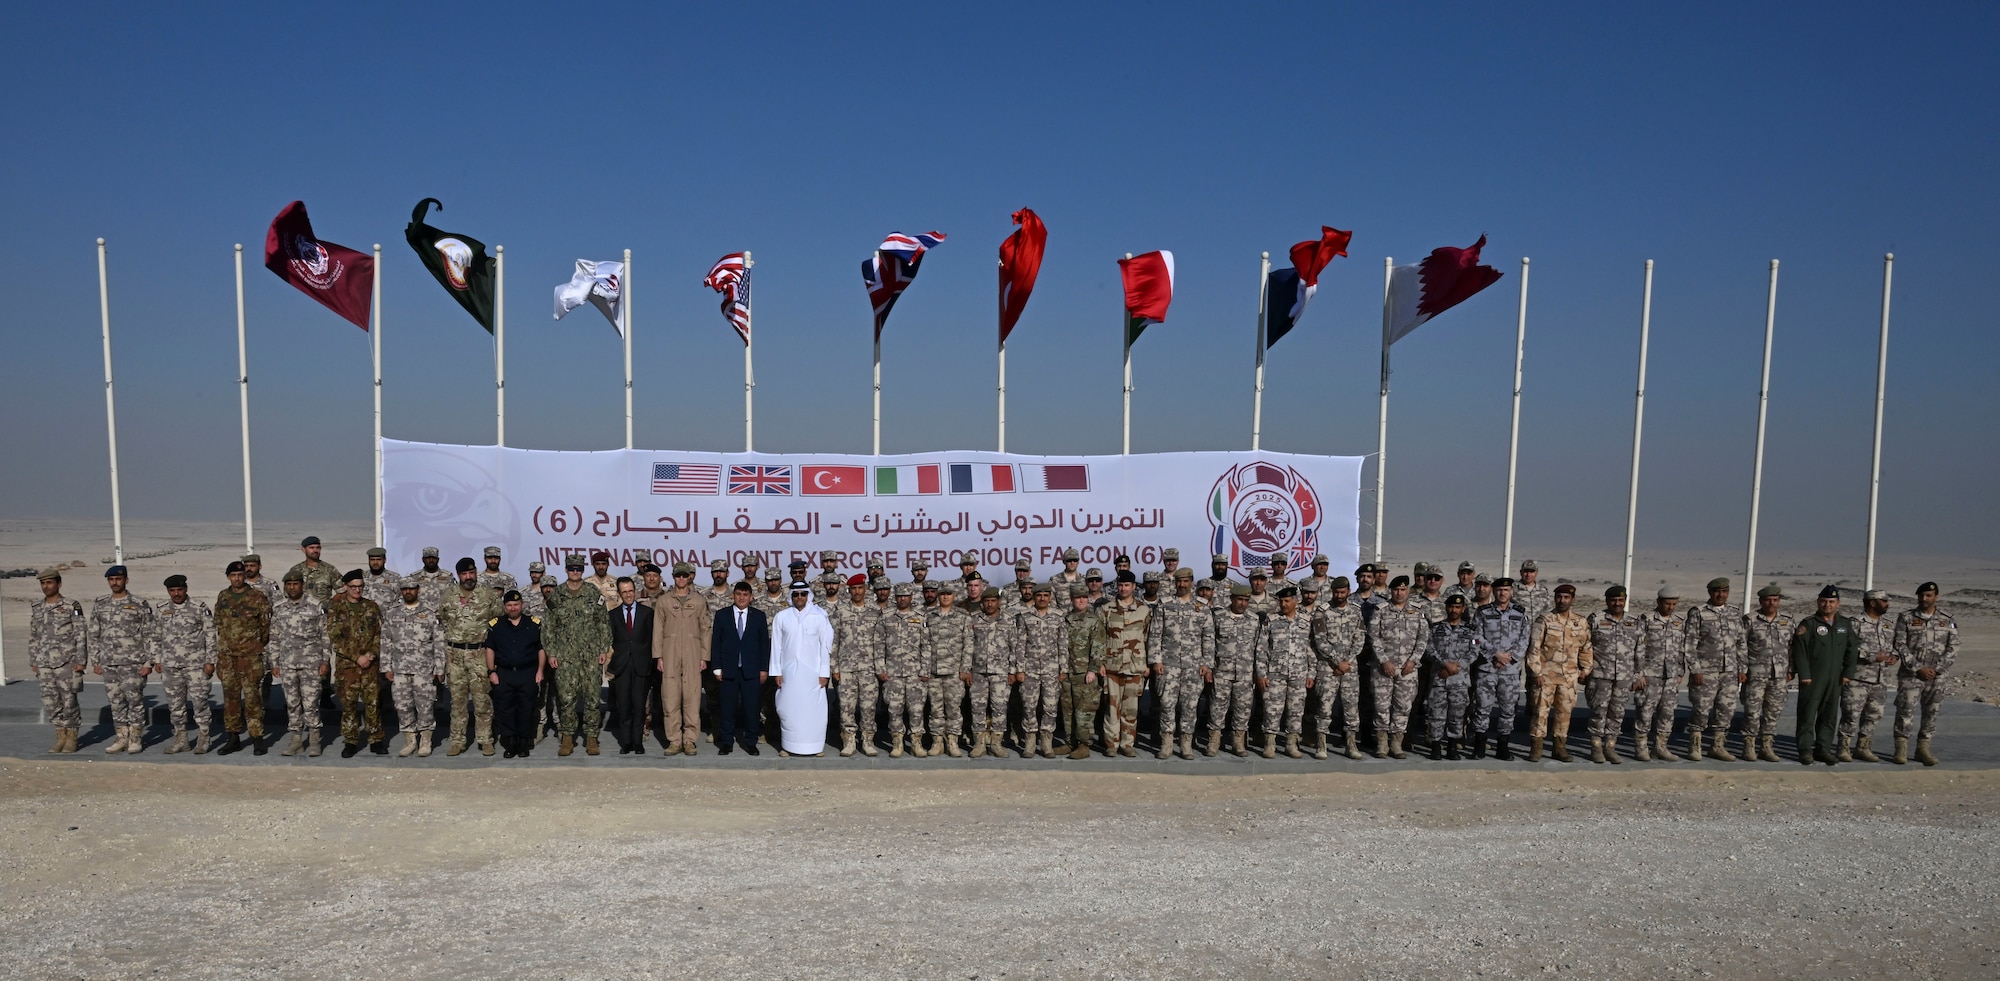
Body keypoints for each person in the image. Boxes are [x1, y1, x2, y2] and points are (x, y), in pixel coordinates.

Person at [545, 555, 613, 755]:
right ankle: (567, 738)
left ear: (583, 570)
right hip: (565, 657)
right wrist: (551, 652)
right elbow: (549, 627)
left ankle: (591, 738)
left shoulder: (593, 593)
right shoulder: (557, 595)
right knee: (566, 699)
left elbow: (603, 623)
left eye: (579, 569)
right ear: (566, 570)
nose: (575, 572)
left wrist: (603, 649)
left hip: (590, 656)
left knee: (592, 698)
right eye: (572, 568)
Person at [438, 557, 503, 757]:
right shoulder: (448, 595)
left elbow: (498, 622)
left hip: (479, 654)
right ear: (458, 575)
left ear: (476, 572)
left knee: (482, 700)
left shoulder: (488, 595)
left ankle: (485, 740)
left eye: (472, 572)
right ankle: (458, 740)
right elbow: (442, 619)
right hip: (455, 655)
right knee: (457, 701)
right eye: (465, 574)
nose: (469, 577)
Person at [88, 565, 154, 754]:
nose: (115, 583)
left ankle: (135, 738)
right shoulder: (100, 604)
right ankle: (121, 737)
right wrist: (96, 660)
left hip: (133, 662)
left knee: (135, 701)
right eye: (111, 580)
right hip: (109, 662)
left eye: (118, 579)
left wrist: (149, 662)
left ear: (126, 580)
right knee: (115, 702)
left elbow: (150, 634)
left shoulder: (139, 603)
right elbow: (93, 634)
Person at [1524, 583, 1594, 763]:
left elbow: (1586, 648)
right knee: (1540, 712)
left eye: (1566, 597)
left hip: (1569, 677)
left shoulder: (1581, 622)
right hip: (1545, 676)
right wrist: (1536, 673)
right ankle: (1537, 747)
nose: (1562, 601)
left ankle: (1559, 748)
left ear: (1572, 599)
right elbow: (1534, 648)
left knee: (1564, 713)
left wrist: (1585, 669)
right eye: (1559, 597)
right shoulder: (1545, 620)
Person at [1892, 581, 1957, 766]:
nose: (1924, 598)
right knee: (1905, 710)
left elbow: (1953, 646)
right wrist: (1917, 667)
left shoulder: (1947, 619)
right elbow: (1899, 644)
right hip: (1911, 674)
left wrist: (1938, 669)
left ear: (1936, 597)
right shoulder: (1906, 618)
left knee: (1931, 712)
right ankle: (1901, 749)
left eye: (1928, 595)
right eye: (1921, 595)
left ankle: (1923, 749)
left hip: (1937, 676)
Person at [1148, 569, 1211, 760]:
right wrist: (1156, 660)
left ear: (1192, 582)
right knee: (1167, 705)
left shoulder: (1202, 607)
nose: (1182, 585)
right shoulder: (1165, 605)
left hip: (1193, 666)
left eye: (1185, 581)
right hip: (1169, 665)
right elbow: (1155, 634)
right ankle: (1167, 743)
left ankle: (1186, 744)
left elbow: (1208, 637)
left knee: (1190, 706)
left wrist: (1206, 662)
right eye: (1179, 582)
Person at [269, 571, 333, 758]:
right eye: (288, 584)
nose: (292, 587)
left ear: (302, 585)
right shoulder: (279, 607)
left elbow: (325, 635)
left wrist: (325, 660)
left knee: (311, 702)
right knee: (292, 703)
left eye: (295, 584)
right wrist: (274, 661)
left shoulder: (315, 605)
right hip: (288, 663)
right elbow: (274, 636)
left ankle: (314, 740)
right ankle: (296, 740)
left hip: (311, 663)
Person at [1682, 577, 1747, 761]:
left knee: (1726, 709)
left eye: (1724, 591)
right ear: (1710, 592)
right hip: (1706, 671)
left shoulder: (1734, 613)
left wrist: (1743, 668)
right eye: (1717, 591)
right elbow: (1690, 643)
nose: (1721, 595)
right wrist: (1695, 669)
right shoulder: (1699, 613)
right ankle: (1695, 745)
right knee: (1701, 709)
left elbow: (1741, 643)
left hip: (1730, 671)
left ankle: (1718, 746)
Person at [650, 562, 712, 756]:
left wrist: (704, 656)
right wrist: (658, 656)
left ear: (689, 577)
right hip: (670, 654)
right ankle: (674, 740)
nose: (681, 579)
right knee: (670, 698)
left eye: (684, 576)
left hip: (693, 654)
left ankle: (690, 740)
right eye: (678, 576)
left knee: (692, 699)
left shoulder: (700, 601)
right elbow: (657, 630)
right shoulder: (664, 601)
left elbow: (706, 630)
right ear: (674, 576)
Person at [380, 576, 445, 757]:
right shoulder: (392, 614)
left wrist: (439, 668)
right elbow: (386, 642)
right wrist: (386, 667)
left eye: (412, 588)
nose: (408, 591)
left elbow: (439, 642)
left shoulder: (430, 614)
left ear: (418, 590)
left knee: (425, 706)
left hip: (423, 669)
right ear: (401, 591)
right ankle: (409, 740)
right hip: (400, 669)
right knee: (402, 706)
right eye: (404, 589)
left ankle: (425, 740)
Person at [212, 561, 272, 755]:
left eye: (240, 575)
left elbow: (265, 628)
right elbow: (218, 624)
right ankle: (233, 737)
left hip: (250, 658)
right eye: (233, 575)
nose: (237, 578)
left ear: (245, 576)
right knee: (230, 700)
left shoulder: (257, 597)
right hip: (228, 658)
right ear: (228, 576)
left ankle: (257, 739)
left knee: (253, 699)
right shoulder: (223, 597)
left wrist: (252, 646)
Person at [152, 574, 216, 755]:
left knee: (200, 702)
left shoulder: (199, 608)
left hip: (195, 665)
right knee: (175, 706)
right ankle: (181, 739)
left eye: (179, 590)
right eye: (172, 591)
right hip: (171, 666)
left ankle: (204, 736)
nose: (176, 593)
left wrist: (210, 661)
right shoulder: (161, 609)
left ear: (186, 589)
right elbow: (155, 636)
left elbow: (210, 635)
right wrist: (157, 659)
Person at [326, 570, 387, 757]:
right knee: (349, 704)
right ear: (345, 587)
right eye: (353, 587)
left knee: (373, 703)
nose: (357, 590)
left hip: (370, 665)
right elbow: (334, 639)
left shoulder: (371, 607)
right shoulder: (336, 608)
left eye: (360, 587)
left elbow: (380, 635)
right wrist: (356, 657)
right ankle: (351, 740)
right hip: (348, 667)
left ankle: (376, 739)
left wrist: (370, 655)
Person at [769, 581, 833, 757]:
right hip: (788, 673)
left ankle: (815, 747)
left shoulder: (820, 617)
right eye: (796, 594)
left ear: (808, 595)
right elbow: (776, 646)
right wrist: (776, 672)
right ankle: (788, 747)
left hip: (813, 674)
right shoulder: (782, 617)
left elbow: (825, 647)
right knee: (788, 709)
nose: (799, 597)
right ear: (791, 596)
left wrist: (824, 673)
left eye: (803, 594)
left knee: (814, 712)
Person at [1469, 577, 1530, 760]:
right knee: (1482, 708)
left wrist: (1508, 659)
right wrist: (1495, 654)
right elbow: (1475, 638)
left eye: (1506, 590)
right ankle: (1479, 746)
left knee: (1508, 710)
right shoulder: (1482, 612)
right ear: (1493, 592)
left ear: (1511, 592)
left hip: (1510, 670)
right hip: (1487, 668)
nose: (1502, 593)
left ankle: (1503, 747)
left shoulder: (1520, 613)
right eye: (1499, 590)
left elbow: (1524, 640)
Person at [1367, 576, 1426, 759]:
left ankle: (1396, 742)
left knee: (1403, 706)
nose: (1399, 593)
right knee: (1381, 706)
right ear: (1390, 591)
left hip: (1407, 669)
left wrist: (1413, 660)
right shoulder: (1381, 610)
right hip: (1383, 668)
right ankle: (1382, 743)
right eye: (1395, 590)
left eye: (1402, 590)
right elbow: (1373, 637)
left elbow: (1423, 639)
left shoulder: (1417, 611)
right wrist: (1384, 660)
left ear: (1407, 590)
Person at [29, 569, 87, 754]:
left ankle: (72, 736)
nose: (46, 586)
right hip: (44, 663)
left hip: (66, 662)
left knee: (69, 701)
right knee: (51, 702)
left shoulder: (71, 606)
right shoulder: (37, 607)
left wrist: (81, 660)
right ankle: (60, 735)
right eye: (43, 583)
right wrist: (34, 659)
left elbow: (80, 634)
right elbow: (34, 635)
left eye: (50, 582)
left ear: (59, 584)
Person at [1308, 576, 1365, 761]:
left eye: (1342, 592)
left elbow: (1360, 638)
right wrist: (1337, 660)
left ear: (1348, 591)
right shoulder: (1322, 611)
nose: (1339, 595)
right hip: (1328, 667)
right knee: (1324, 706)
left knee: (1351, 707)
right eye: (1336, 592)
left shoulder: (1356, 611)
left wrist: (1346, 662)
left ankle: (1351, 744)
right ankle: (1321, 744)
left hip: (1349, 668)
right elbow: (1320, 640)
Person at [1737, 584, 1795, 763]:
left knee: (1773, 712)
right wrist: (1742, 669)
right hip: (1755, 674)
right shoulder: (1750, 620)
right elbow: (1741, 645)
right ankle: (1749, 745)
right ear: (1761, 601)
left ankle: (1767, 746)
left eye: (1775, 600)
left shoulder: (1787, 620)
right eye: (1768, 600)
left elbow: (1793, 646)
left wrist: (1792, 669)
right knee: (1752, 712)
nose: (1771, 603)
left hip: (1779, 675)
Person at [710, 581, 770, 755]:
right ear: (733, 595)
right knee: (727, 708)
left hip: (751, 670)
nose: (741, 598)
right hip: (728, 670)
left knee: (752, 708)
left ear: (751, 597)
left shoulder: (758, 616)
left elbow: (763, 645)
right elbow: (716, 643)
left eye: (745, 595)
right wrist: (717, 668)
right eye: (738, 594)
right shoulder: (722, 615)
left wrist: (763, 669)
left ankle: (751, 742)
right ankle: (726, 742)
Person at [1585, 585, 1643, 764]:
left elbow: (1639, 650)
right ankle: (1596, 747)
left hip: (1624, 677)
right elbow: (1585, 646)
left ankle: (1610, 746)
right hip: (1600, 675)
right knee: (1599, 711)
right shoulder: (1596, 619)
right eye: (1613, 600)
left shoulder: (1634, 621)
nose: (1617, 603)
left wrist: (1638, 675)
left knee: (1617, 713)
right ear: (1607, 601)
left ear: (1625, 600)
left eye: (1620, 600)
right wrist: (1586, 670)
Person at [484, 590, 546, 758]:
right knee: (506, 709)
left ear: (522, 605)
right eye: (509, 605)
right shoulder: (496, 625)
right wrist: (491, 671)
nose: (513, 608)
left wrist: (540, 671)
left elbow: (541, 649)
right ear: (505, 607)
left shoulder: (533, 624)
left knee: (526, 709)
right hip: (504, 673)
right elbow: (490, 649)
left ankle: (524, 742)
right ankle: (510, 743)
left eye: (516, 605)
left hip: (527, 673)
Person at [1096, 571, 1151, 758]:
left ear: (1134, 587)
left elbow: (1148, 638)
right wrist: (1100, 663)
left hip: (1135, 666)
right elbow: (1099, 638)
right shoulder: (1106, 609)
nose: (1123, 588)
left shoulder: (1144, 610)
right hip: (1112, 666)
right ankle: (1111, 744)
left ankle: (1127, 744)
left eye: (1127, 585)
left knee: (1131, 708)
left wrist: (1147, 664)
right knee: (1112, 708)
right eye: (1120, 585)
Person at [1423, 595, 1484, 760]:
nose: (1454, 610)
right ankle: (1435, 747)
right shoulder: (1435, 629)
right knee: (1437, 714)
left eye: (1457, 607)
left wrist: (1456, 667)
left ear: (1463, 609)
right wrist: (1444, 664)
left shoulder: (1472, 630)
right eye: (1451, 607)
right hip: (1439, 679)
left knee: (1457, 715)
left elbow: (1475, 651)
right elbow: (1429, 649)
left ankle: (1452, 747)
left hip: (1460, 680)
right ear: (1446, 608)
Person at [1840, 589, 1897, 762]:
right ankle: (1843, 747)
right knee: (1851, 714)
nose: (1887, 604)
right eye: (1884, 601)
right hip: (1858, 678)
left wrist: (1895, 656)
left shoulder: (1888, 624)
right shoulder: (1855, 623)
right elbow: (1845, 648)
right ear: (1872, 602)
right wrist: (1871, 656)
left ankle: (1863, 747)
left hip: (1880, 679)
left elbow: (1894, 645)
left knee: (1874, 715)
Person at [1257, 587, 1313, 759]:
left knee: (1296, 710)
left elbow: (1311, 649)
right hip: (1275, 674)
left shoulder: (1306, 621)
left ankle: (1291, 744)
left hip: (1298, 673)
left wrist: (1312, 673)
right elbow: (1261, 648)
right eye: (1281, 601)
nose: (1283, 604)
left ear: (1295, 601)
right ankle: (1270, 743)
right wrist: (1261, 673)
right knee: (1272, 710)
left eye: (1287, 601)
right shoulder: (1271, 620)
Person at [829, 575, 883, 757]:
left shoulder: (875, 611)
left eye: (860, 588)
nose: (857, 592)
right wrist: (834, 668)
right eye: (854, 589)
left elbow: (880, 642)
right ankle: (849, 740)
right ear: (849, 590)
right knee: (846, 707)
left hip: (869, 669)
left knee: (869, 707)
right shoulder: (841, 611)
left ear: (865, 589)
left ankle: (867, 740)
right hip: (846, 669)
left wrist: (880, 667)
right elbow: (834, 641)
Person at [1635, 586, 1688, 762]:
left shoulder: (1679, 621)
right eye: (1667, 604)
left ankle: (1661, 747)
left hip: (1671, 675)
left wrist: (1680, 671)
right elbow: (1639, 648)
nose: (1671, 607)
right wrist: (1639, 673)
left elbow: (1681, 648)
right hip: (1651, 674)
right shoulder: (1647, 619)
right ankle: (1641, 747)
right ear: (1658, 602)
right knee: (1645, 712)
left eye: (1674, 604)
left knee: (1667, 712)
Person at [1207, 585, 1261, 757]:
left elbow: (1258, 648)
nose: (1243, 603)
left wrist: (1256, 672)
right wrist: (1209, 667)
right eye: (1240, 599)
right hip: (1222, 671)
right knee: (1217, 708)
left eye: (1246, 600)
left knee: (1243, 708)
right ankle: (1214, 741)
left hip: (1244, 673)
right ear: (1232, 599)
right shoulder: (1219, 617)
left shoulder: (1253, 620)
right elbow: (1210, 644)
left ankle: (1238, 741)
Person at [1016, 583, 1068, 759]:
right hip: (1030, 670)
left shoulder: (1058, 617)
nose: (1042, 598)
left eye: (1046, 595)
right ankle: (1030, 740)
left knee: (1050, 707)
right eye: (1039, 595)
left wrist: (1063, 668)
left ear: (1050, 597)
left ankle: (1046, 741)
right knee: (1029, 706)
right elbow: (1020, 645)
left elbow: (1063, 645)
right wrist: (1020, 669)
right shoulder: (1025, 617)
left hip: (1051, 670)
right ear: (1034, 597)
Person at [923, 583, 974, 757]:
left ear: (954, 595)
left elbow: (968, 644)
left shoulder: (963, 616)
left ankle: (952, 741)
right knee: (935, 709)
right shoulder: (929, 616)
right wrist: (925, 669)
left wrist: (965, 668)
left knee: (953, 709)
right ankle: (937, 741)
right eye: (942, 594)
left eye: (949, 594)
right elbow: (925, 644)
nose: (945, 597)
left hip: (954, 672)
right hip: (934, 671)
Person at [880, 583, 930, 758]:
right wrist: (881, 668)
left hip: (915, 673)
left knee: (916, 709)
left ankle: (916, 742)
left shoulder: (920, 617)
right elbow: (878, 644)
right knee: (894, 709)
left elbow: (926, 645)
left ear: (911, 597)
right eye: (899, 596)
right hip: (893, 673)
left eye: (906, 596)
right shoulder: (886, 617)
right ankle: (897, 742)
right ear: (895, 597)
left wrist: (925, 669)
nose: (902, 599)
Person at [604, 578, 653, 754]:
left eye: (631, 590)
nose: (628, 594)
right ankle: (626, 742)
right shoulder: (613, 615)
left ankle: (637, 742)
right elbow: (610, 640)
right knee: (624, 706)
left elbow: (652, 640)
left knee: (639, 706)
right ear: (619, 594)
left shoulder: (647, 613)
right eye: (624, 592)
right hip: (622, 666)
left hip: (641, 665)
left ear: (635, 591)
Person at [968, 591, 1018, 758]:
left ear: (999, 602)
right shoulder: (974, 619)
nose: (989, 604)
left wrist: (1012, 671)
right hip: (978, 672)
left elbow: (1014, 647)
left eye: (993, 601)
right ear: (982, 602)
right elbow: (968, 646)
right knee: (977, 708)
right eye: (986, 601)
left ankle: (996, 743)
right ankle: (979, 744)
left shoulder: (1009, 619)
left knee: (1000, 708)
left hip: (1001, 672)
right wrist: (966, 668)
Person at [1059, 586, 1107, 759]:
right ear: (1072, 599)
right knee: (1067, 710)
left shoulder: (1094, 620)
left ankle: (1084, 744)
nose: (1081, 600)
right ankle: (1069, 742)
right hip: (1067, 672)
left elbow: (1099, 646)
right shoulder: (1065, 619)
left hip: (1084, 672)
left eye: (1084, 598)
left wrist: (1093, 669)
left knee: (1084, 711)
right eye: (1078, 597)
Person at [286, 536, 342, 606]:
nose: (315, 550)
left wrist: (329, 605)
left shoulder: (329, 570)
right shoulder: (296, 570)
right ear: (303, 550)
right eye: (311, 548)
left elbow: (342, 591)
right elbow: (288, 593)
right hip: (300, 612)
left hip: (322, 613)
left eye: (318, 548)